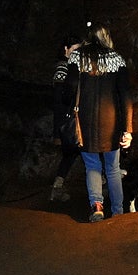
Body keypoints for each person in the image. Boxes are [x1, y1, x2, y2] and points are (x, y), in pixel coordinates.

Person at [66, 25, 133, 221]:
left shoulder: (77, 57)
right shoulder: (116, 59)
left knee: (92, 165)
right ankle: (118, 211)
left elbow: (70, 88)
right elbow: (125, 96)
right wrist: (128, 129)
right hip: (111, 123)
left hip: (85, 122)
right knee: (112, 168)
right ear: (107, 37)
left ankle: (97, 206)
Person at [50, 34, 83, 202]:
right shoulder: (63, 68)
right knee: (81, 151)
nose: (77, 53)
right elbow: (59, 99)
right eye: (75, 49)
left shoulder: (71, 67)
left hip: (68, 120)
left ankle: (57, 188)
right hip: (67, 121)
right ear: (66, 49)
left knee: (71, 155)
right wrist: (58, 130)